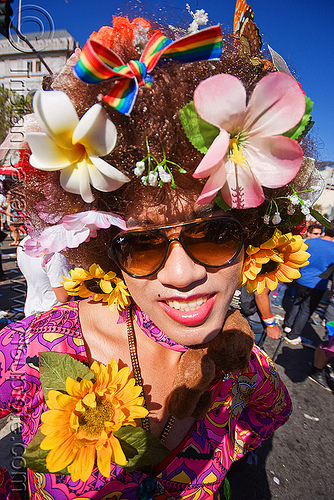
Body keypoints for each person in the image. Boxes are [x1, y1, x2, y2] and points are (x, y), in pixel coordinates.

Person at [0, 6, 320, 499]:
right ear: (108, 252)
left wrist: (223, 460)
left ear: (249, 239)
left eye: (214, 235)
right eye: (143, 246)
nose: (183, 274)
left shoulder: (248, 369)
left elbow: (272, 413)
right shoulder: (34, 351)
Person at [283, 223, 334, 345]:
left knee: (297, 302)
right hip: (318, 284)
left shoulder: (310, 242)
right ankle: (293, 335)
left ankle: (288, 325)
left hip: (302, 279)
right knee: (306, 310)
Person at [16, 235, 72, 316]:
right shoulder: (56, 252)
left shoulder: (25, 242)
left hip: (32, 310)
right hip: (53, 316)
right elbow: (63, 297)